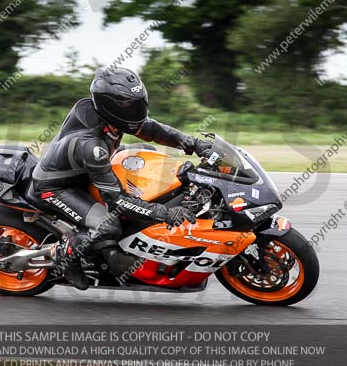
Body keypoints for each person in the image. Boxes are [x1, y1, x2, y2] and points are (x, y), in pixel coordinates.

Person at [27, 67, 212, 289]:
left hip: (88, 169)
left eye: (138, 102)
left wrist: (193, 143)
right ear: (110, 106)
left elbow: (152, 130)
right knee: (108, 226)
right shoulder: (92, 145)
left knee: (146, 152)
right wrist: (165, 213)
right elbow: (117, 202)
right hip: (57, 187)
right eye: (128, 104)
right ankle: (65, 256)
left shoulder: (102, 112)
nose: (136, 110)